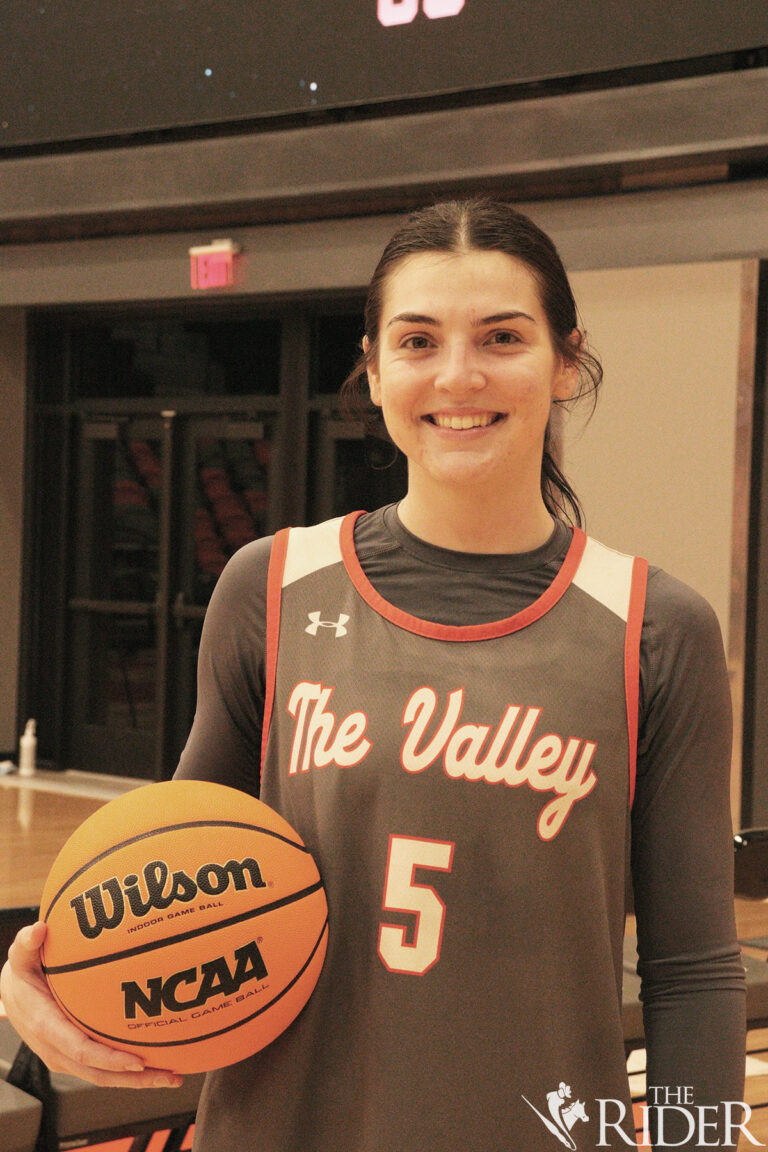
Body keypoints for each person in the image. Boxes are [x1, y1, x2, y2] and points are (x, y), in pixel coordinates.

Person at [1, 199, 746, 1150]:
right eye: (419, 339)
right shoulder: (269, 587)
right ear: (376, 366)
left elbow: (692, 973)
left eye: (503, 337)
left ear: (566, 362)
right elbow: (171, 877)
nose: (459, 375)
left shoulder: (656, 630)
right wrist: (46, 977)